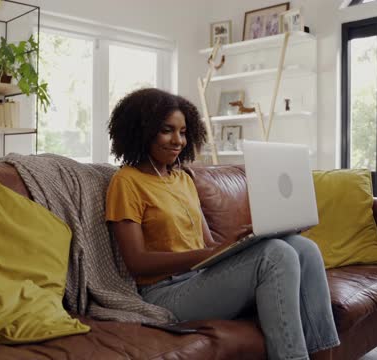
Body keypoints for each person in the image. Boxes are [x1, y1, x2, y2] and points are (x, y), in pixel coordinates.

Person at [105, 88, 339, 360]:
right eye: (167, 130)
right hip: (164, 293)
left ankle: (325, 355)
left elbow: (209, 244)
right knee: (277, 255)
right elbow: (137, 262)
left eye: (183, 132)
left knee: (303, 247)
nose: (177, 140)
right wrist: (209, 255)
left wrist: (239, 243)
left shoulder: (182, 179)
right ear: (142, 131)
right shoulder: (127, 182)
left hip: (201, 278)